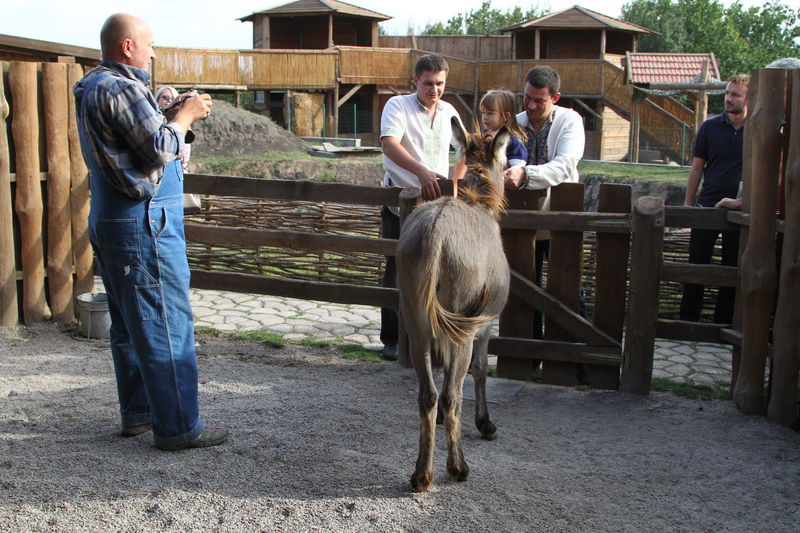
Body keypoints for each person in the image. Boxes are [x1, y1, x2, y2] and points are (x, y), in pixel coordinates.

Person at [74, 13, 227, 450]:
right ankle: (179, 425)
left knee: (127, 324)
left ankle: (139, 413)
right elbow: (160, 148)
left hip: (111, 216)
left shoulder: (92, 84)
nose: (154, 52)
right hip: (144, 220)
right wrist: (186, 117)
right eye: (150, 45)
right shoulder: (121, 85)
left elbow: (134, 137)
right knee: (165, 321)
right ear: (127, 47)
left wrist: (168, 113)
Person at [378, 53, 467, 361]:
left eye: (440, 83)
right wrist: (421, 172)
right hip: (401, 200)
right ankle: (392, 339)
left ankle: (430, 340)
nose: (434, 90)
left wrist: (455, 182)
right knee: (396, 268)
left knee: (437, 270)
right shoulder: (397, 106)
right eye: (428, 83)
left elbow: (464, 149)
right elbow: (389, 143)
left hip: (438, 205)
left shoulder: (449, 111)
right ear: (415, 80)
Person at [503, 66, 586, 338]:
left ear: (556, 98)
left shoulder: (570, 122)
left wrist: (525, 174)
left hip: (560, 215)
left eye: (539, 100)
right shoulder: (515, 123)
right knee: (528, 285)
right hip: (524, 218)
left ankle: (576, 353)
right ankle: (531, 351)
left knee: (568, 286)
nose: (531, 105)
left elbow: (563, 166)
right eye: (527, 97)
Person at [679, 74, 750, 324]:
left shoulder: (757, 129)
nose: (728, 99)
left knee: (733, 267)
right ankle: (688, 320)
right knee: (696, 263)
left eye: (735, 95)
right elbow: (697, 167)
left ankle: (724, 321)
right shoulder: (709, 127)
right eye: (728, 93)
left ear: (748, 99)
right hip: (707, 205)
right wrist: (689, 204)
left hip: (742, 209)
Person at [156, 86, 200, 212]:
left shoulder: (183, 126)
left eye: (172, 98)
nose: (168, 100)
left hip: (173, 179)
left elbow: (182, 157)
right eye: (165, 97)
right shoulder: (152, 121)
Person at [479, 89, 528, 168]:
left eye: (490, 113)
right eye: (483, 112)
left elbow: (517, 167)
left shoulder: (513, 140)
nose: (485, 117)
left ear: (506, 116)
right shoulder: (483, 135)